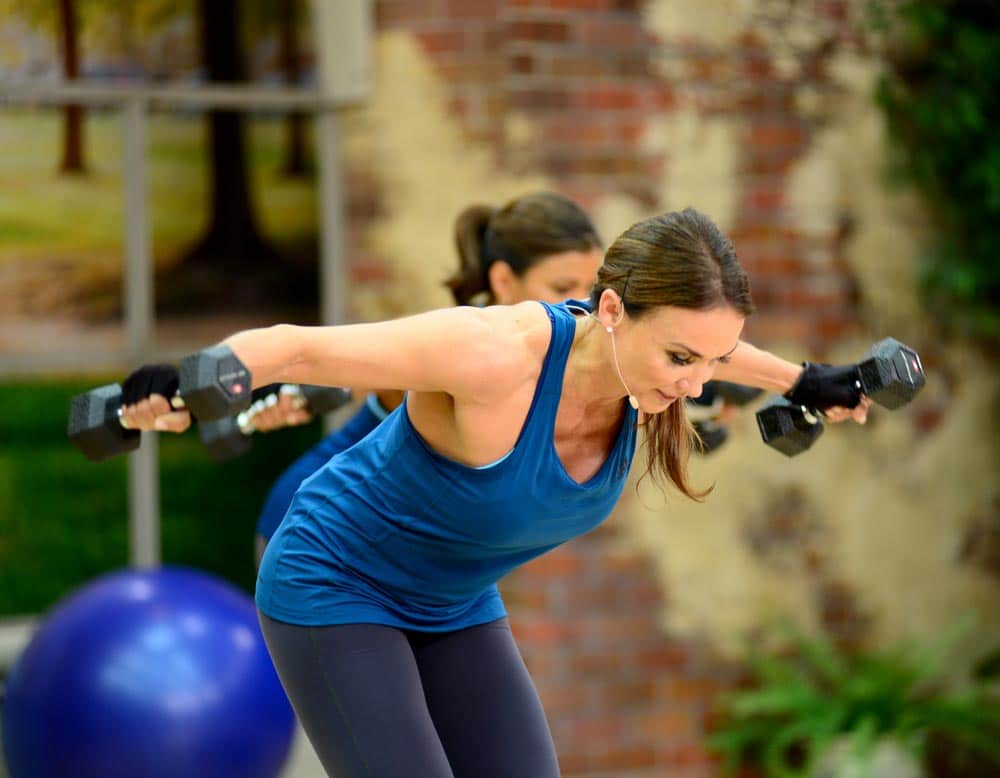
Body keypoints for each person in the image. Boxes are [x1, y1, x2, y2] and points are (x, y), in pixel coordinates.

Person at [118, 207, 869, 778]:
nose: (696, 383)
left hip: (453, 601)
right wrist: (188, 378)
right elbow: (300, 347)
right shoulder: (495, 354)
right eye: (680, 357)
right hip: (336, 583)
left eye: (711, 361)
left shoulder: (658, 374)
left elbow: (719, 346)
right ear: (611, 310)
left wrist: (803, 379)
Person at [248, 191, 604, 565]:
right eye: (563, 289)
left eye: (590, 289)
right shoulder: (462, 347)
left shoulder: (563, 356)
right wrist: (292, 398)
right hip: (316, 524)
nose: (582, 305)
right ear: (502, 279)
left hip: (400, 545)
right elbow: (352, 376)